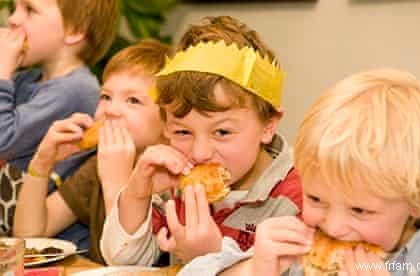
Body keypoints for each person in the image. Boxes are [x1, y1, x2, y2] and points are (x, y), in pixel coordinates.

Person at [100, 16, 303, 269]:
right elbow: (124, 261)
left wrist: (211, 258)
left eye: (222, 132)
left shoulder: (301, 198)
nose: (200, 153)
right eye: (183, 133)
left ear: (268, 125)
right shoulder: (174, 183)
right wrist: (136, 194)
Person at [221, 68, 420, 276]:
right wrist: (254, 269)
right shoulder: (295, 252)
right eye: (315, 199)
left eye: (359, 210)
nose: (333, 227)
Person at [13, 39, 170, 264]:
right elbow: (29, 235)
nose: (112, 110)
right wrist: (42, 162)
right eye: (106, 96)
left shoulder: (167, 178)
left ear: (169, 123)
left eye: (133, 100)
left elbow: (131, 266)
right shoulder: (96, 166)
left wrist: (117, 181)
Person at [0, 0, 119, 244]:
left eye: (29, 9)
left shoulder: (74, 90)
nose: (12, 19)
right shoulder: (26, 80)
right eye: (15, 8)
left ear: (74, 30)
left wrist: (1, 73)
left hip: (54, 249)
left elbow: (3, 140)